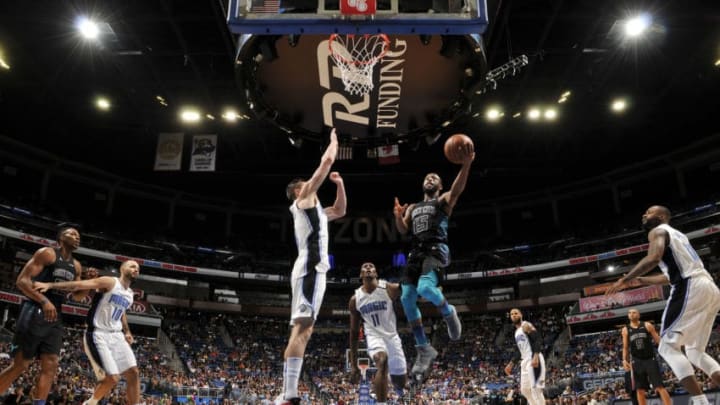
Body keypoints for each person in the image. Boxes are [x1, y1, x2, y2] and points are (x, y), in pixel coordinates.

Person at [607, 205, 720, 405]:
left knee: (666, 347)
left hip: (690, 285)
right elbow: (668, 276)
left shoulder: (657, 231)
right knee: (695, 352)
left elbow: (653, 257)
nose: (643, 215)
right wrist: (642, 280)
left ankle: (702, 402)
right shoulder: (679, 236)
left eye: (648, 212)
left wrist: (625, 280)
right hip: (709, 287)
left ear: (660, 217)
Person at [276, 128, 346, 405]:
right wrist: (334, 142)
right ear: (297, 190)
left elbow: (340, 211)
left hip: (310, 269)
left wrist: (339, 184)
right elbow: (326, 163)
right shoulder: (303, 198)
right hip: (310, 268)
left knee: (304, 328)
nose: (311, 184)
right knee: (303, 328)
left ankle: (288, 392)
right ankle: (289, 394)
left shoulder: (315, 211)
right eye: (306, 183)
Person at [392, 144, 474, 375]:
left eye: (434, 178)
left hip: (436, 250)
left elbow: (457, 189)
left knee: (425, 288)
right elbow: (402, 230)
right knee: (407, 299)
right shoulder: (414, 207)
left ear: (440, 186)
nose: (430, 179)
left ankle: (449, 312)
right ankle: (423, 348)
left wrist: (466, 165)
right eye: (427, 177)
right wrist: (398, 216)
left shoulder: (443, 200)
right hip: (415, 253)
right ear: (423, 185)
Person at [0, 225, 93, 405]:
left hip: (56, 314)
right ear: (60, 237)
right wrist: (43, 300)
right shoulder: (47, 253)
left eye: (78, 235)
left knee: (51, 364)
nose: (77, 237)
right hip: (35, 308)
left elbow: (77, 296)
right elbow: (22, 281)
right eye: (72, 234)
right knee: (21, 365)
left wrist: (87, 284)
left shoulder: (76, 265)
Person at [33, 260, 142, 405]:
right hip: (98, 334)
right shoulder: (110, 282)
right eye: (132, 266)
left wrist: (127, 331)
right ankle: (90, 403)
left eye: (138, 268)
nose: (136, 269)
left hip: (117, 335)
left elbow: (121, 312)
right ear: (122, 269)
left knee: (133, 373)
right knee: (112, 378)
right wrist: (50, 285)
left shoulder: (130, 294)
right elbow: (79, 285)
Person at [348, 263, 407, 405]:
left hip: (392, 337)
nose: (368, 267)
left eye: (371, 266)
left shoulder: (387, 288)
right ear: (361, 275)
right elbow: (354, 333)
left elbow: (407, 288)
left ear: (376, 273)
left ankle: (399, 388)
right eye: (364, 267)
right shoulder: (355, 299)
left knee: (400, 382)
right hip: (374, 337)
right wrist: (354, 364)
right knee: (382, 360)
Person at [621, 308, 672, 405]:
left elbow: (658, 341)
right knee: (639, 389)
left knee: (659, 386)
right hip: (636, 361)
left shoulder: (647, 325)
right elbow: (625, 347)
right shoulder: (625, 330)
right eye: (629, 313)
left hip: (650, 359)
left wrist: (668, 352)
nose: (631, 314)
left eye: (634, 312)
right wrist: (624, 360)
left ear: (639, 315)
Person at [504, 308, 546, 405]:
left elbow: (537, 339)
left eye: (516, 313)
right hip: (525, 361)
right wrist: (511, 364)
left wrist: (535, 356)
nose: (514, 315)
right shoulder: (516, 332)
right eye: (512, 314)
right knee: (525, 390)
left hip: (534, 357)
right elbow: (520, 351)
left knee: (536, 389)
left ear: (521, 315)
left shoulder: (525, 325)